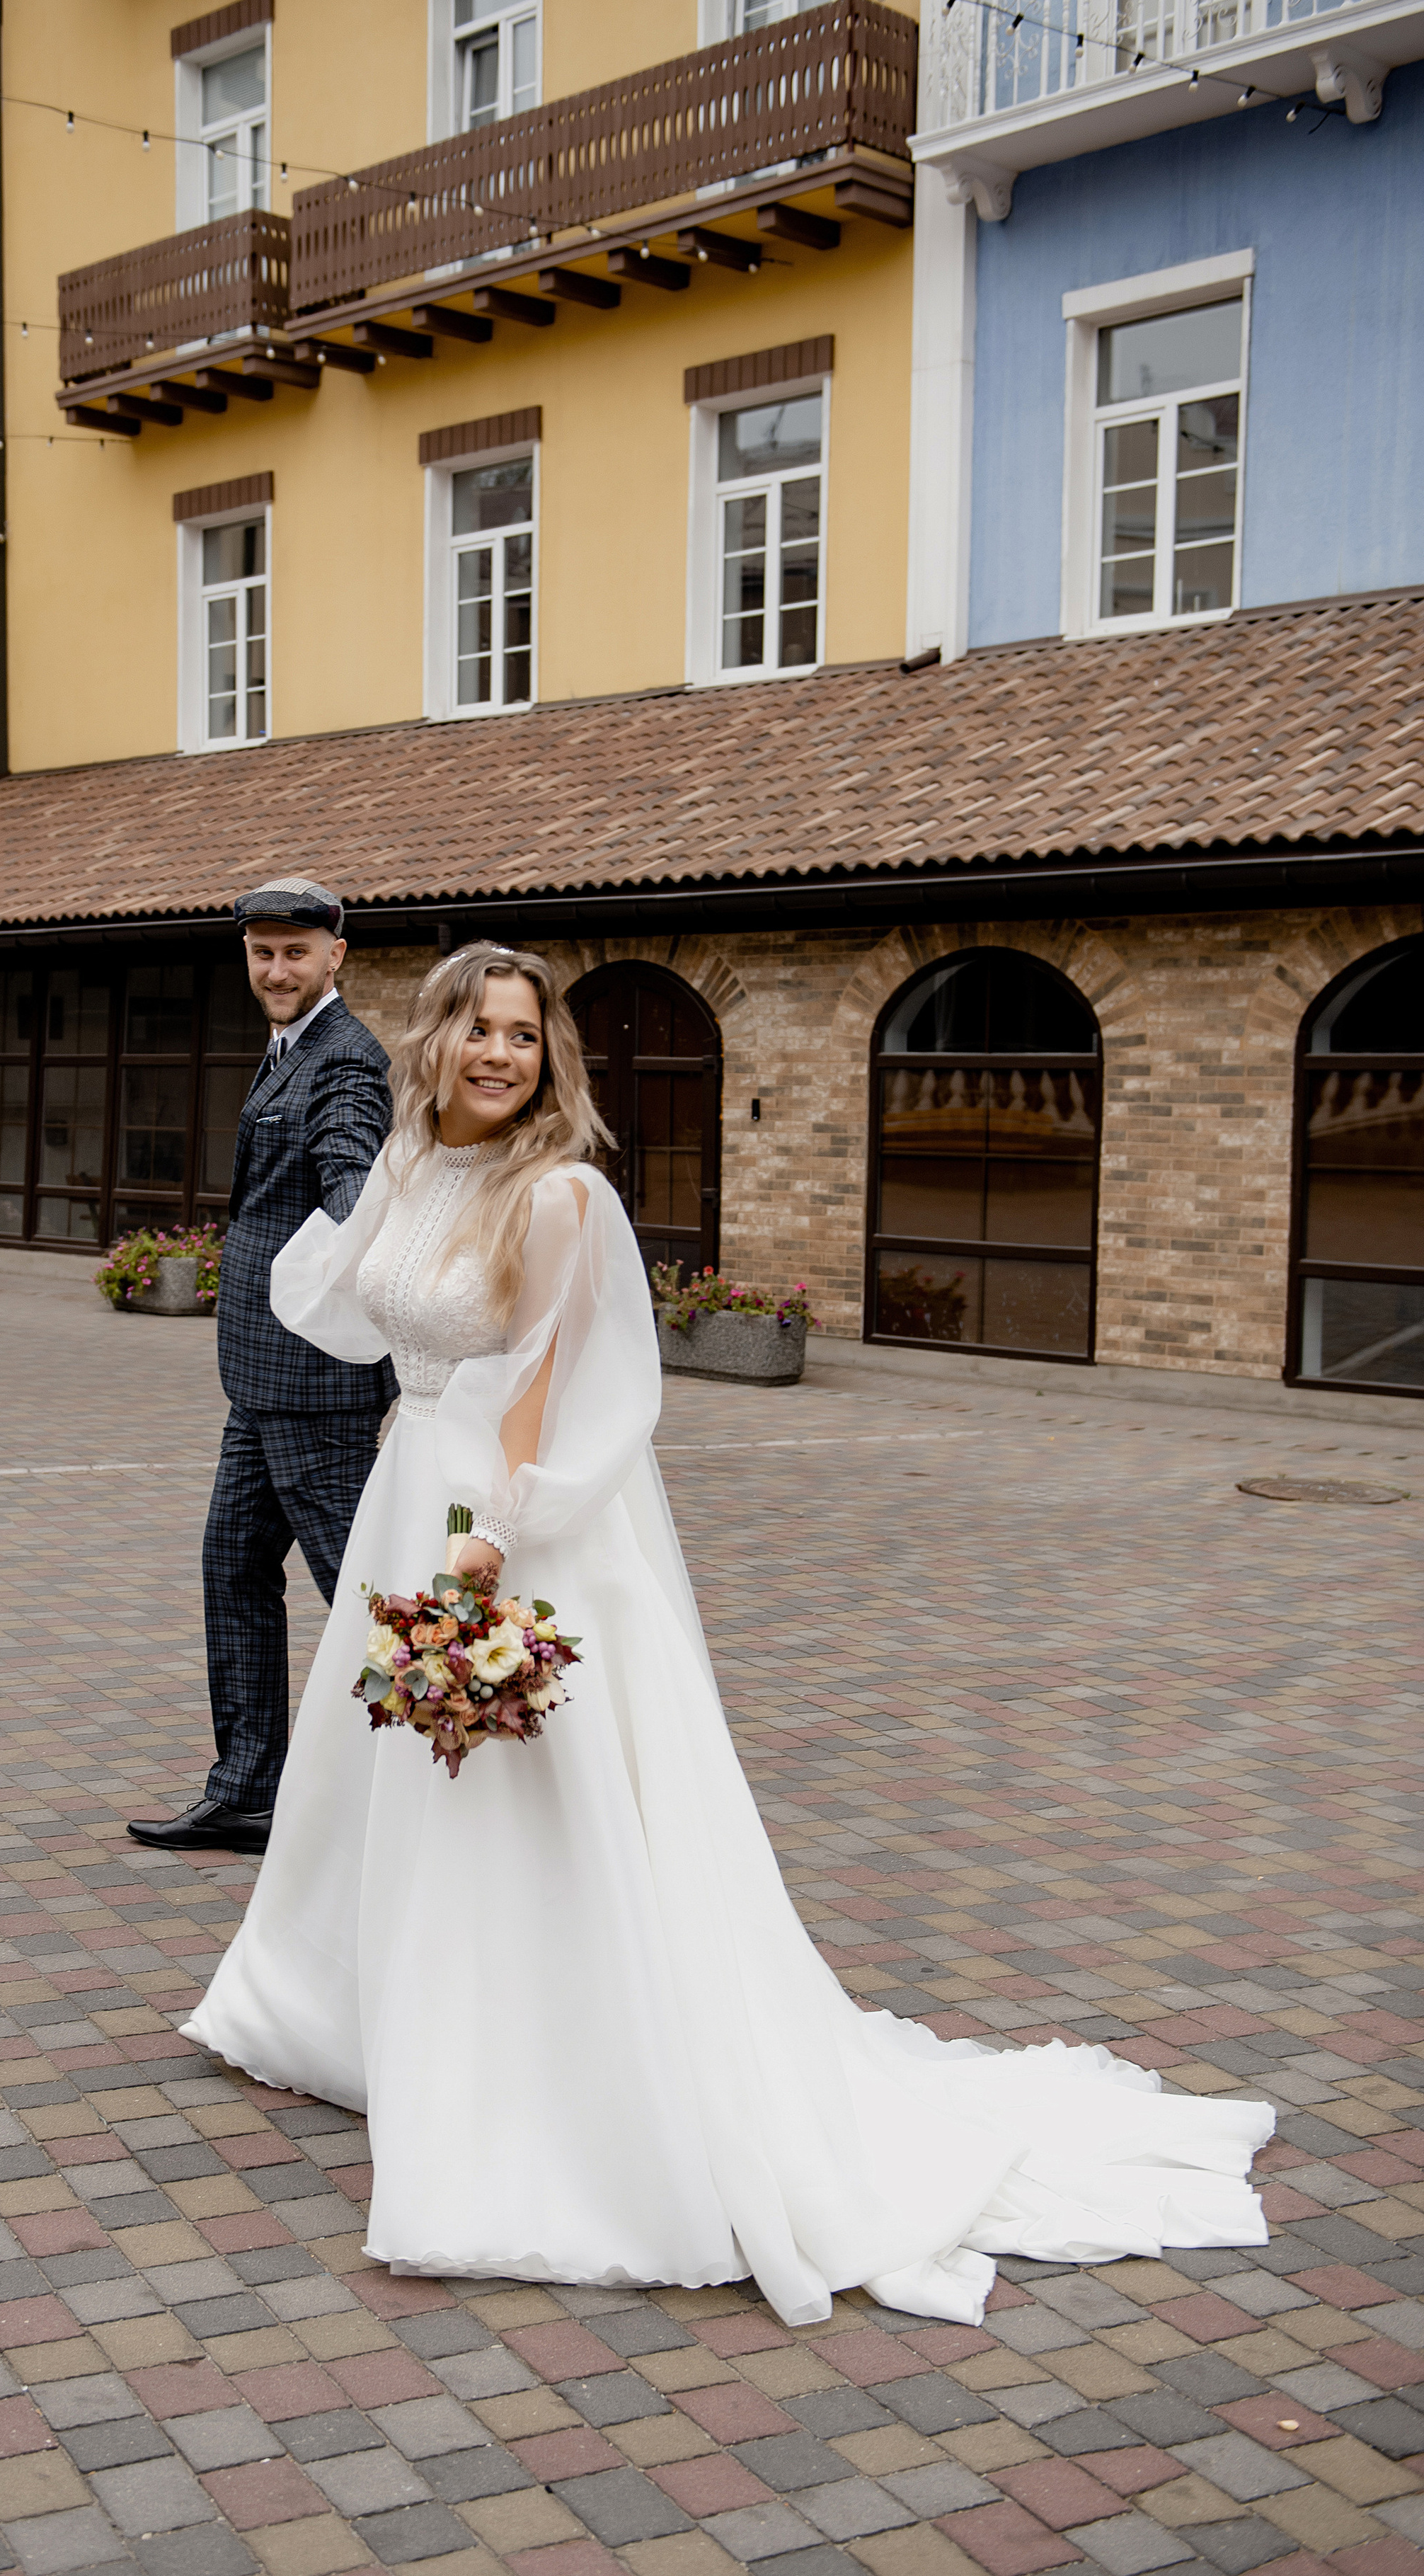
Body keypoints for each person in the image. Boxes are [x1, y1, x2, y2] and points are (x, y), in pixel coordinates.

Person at [180, 943, 1273, 2325]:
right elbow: (347, 1298)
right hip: (412, 1473)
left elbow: (549, 1378)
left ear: (547, 1058)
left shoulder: (560, 1193)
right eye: (479, 1029)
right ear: (435, 1041)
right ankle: (363, 2015)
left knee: (511, 1777)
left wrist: (496, 1531)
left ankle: (534, 2062)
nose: (501, 1054)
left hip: (498, 1508)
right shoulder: (407, 1164)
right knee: (399, 1766)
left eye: (524, 1034)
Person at [128, 880, 395, 1857]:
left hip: (314, 1389)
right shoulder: (290, 1046)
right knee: (234, 1566)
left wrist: (360, 1246)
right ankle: (246, 1790)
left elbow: (354, 1187)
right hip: (262, 1383)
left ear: (336, 954)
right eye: (262, 952)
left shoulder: (347, 1062)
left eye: (296, 952)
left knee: (370, 1596)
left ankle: (441, 1780)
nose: (277, 970)